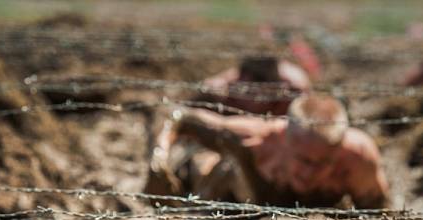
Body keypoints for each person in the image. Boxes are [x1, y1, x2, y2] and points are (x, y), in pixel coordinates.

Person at [145, 93, 390, 208]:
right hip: (221, 185)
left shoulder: (358, 159)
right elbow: (174, 115)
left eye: (323, 162)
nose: (310, 173)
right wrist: (158, 157)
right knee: (209, 166)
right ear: (284, 138)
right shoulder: (255, 141)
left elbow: (379, 214)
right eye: (303, 160)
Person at [200, 55, 311, 116]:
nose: (244, 99)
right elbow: (210, 84)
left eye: (250, 93)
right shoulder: (236, 80)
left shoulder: (295, 89)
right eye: (243, 91)